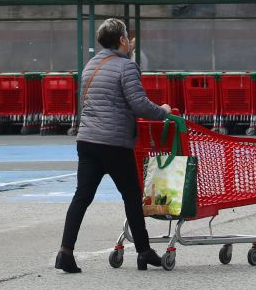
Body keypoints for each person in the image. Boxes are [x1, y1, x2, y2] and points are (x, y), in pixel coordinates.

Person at [57, 18, 171, 274]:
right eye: (127, 38)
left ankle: (65, 251)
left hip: (87, 141)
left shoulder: (90, 66)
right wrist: (163, 111)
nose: (130, 42)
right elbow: (139, 105)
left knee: (81, 197)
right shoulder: (126, 67)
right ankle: (143, 251)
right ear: (121, 40)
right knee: (131, 196)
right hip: (114, 144)